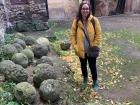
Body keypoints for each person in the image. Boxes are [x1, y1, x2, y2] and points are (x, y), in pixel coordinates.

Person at [71, 1, 101, 91]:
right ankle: (85, 79)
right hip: (81, 50)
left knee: (92, 66)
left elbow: (98, 34)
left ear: (89, 10)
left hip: (91, 49)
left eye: (87, 8)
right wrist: (75, 47)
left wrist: (94, 45)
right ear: (80, 10)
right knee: (83, 66)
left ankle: (95, 81)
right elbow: (72, 35)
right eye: (83, 8)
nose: (85, 10)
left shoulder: (94, 20)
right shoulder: (76, 21)